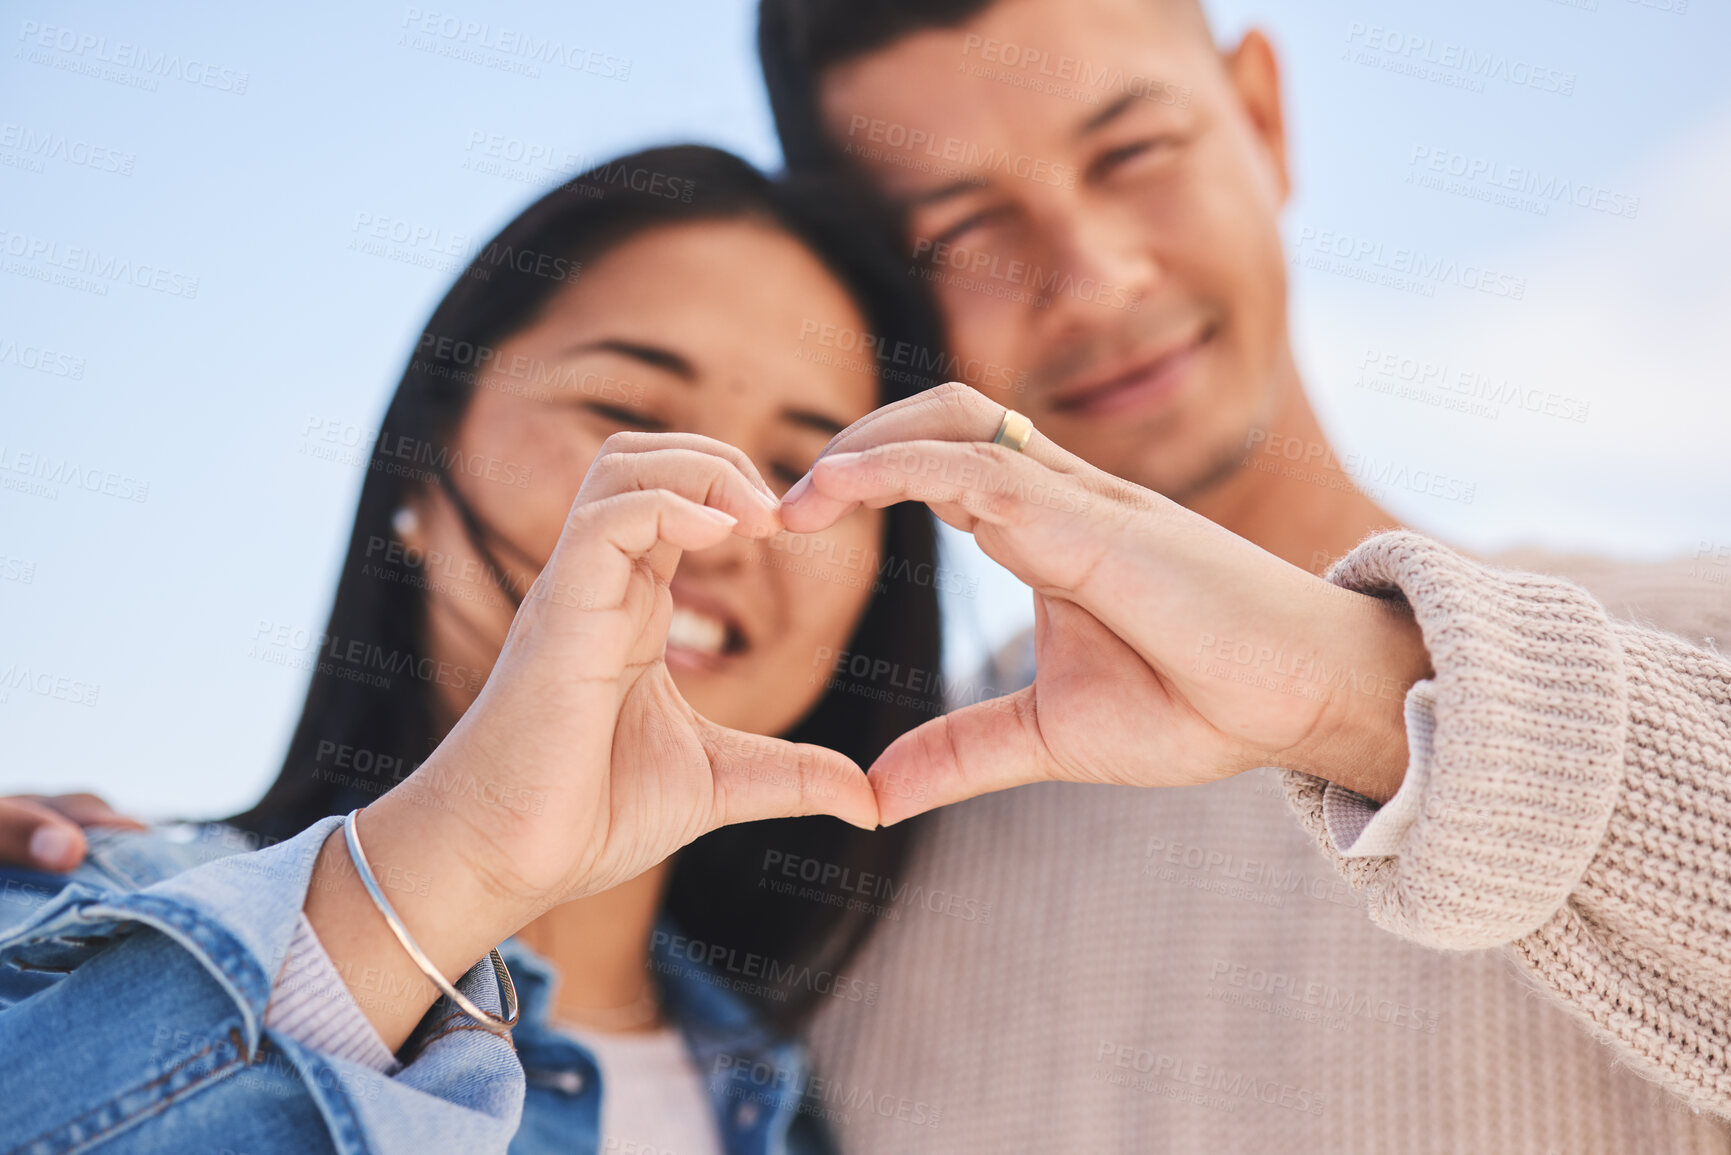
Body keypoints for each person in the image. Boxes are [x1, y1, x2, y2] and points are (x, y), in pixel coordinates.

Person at [755, 0, 1731, 1150]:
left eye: (1132, 153)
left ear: (1263, 117)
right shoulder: (856, 871)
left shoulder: (1701, 638)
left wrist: (1359, 698)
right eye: (966, 228)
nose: (1096, 275)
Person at [0, 144, 949, 1154]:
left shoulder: (803, 1100)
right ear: (422, 467)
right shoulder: (83, 910)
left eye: (807, 467)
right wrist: (469, 857)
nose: (719, 513)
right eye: (623, 411)